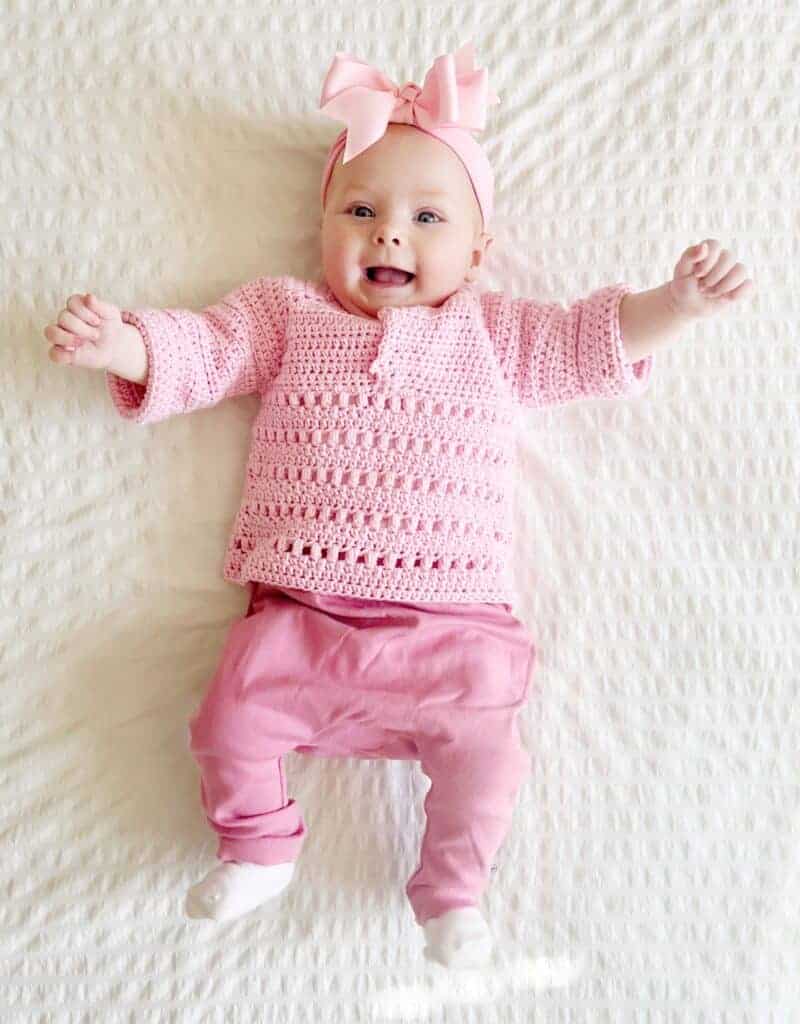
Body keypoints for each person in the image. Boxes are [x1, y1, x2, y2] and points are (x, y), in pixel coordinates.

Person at [42, 42, 755, 968]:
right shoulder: (287, 317)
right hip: (304, 617)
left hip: (454, 629)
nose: (389, 236)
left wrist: (678, 302)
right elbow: (206, 350)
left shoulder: (495, 335)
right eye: (361, 211)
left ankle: (452, 894)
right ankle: (259, 843)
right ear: (322, 226)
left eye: (426, 217)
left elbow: (592, 340)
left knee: (489, 760)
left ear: (477, 250)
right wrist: (124, 346)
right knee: (227, 719)